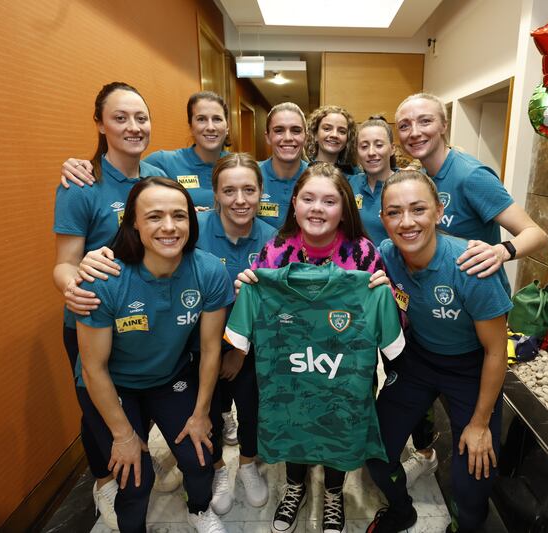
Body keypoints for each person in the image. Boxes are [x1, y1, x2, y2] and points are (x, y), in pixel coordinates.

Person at [393, 92, 547, 486]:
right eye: (405, 125)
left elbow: (535, 232)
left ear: (444, 125)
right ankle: (426, 454)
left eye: (425, 121)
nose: (414, 132)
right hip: (433, 322)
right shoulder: (421, 177)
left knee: (474, 453)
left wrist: (502, 250)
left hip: (475, 318)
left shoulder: (470, 176)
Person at [235, 162, 389, 533]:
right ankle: (295, 487)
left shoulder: (363, 254)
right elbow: (256, 311)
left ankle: (334, 492)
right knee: (295, 418)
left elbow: (385, 314)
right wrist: (246, 289)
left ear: (345, 209)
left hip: (344, 372)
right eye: (308, 199)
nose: (317, 208)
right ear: (294, 204)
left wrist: (385, 292)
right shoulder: (276, 250)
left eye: (329, 201)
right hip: (292, 370)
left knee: (339, 423)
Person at [75, 177, 234, 533]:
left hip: (168, 377)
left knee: (200, 456)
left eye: (179, 215)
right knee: (134, 478)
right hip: (113, 384)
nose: (169, 226)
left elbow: (211, 349)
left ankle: (198, 509)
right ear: (133, 221)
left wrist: (201, 413)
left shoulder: (208, 271)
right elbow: (93, 368)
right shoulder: (104, 279)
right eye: (154, 216)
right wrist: (124, 436)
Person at [52, 81, 172, 529]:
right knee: (97, 408)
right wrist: (73, 286)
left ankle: (137, 455)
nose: (133, 126)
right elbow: (64, 263)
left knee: (138, 399)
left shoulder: (155, 177)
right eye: (120, 118)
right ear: (100, 124)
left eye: (141, 117)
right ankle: (103, 481)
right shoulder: (82, 184)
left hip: (144, 321)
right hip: (91, 320)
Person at [366, 170, 512, 533]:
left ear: (438, 211)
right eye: (394, 212)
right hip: (418, 360)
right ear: (383, 218)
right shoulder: (386, 255)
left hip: (471, 368)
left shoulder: (471, 266)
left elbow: (497, 352)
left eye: (418, 209)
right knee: (374, 450)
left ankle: (467, 527)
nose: (406, 222)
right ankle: (401, 510)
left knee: (473, 478)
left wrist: (480, 424)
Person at [196, 153, 275, 514]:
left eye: (249, 190)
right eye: (229, 191)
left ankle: (247, 464)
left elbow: (272, 306)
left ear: (261, 192)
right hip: (200, 343)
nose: (240, 200)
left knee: (252, 405)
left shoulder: (272, 239)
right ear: (215, 193)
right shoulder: (194, 231)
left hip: (251, 343)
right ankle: (217, 469)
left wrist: (240, 351)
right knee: (209, 409)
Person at [59, 91, 231, 210]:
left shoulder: (239, 167)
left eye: (217, 119)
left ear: (227, 126)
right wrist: (77, 166)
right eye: (201, 119)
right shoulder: (162, 164)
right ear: (190, 126)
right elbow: (122, 168)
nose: (210, 127)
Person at [257, 102, 309, 229]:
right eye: (279, 130)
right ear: (268, 137)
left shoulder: (317, 178)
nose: (288, 137)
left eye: (296, 131)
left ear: (306, 137)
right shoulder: (251, 175)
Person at [347, 115, 396, 246]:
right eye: (364, 146)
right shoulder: (349, 184)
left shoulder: (407, 185)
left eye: (379, 145)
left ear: (392, 149)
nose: (371, 152)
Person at [305, 104, 358, 175]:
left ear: (348, 139)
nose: (334, 135)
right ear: (315, 134)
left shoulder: (355, 175)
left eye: (342, 131)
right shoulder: (302, 171)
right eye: (327, 129)